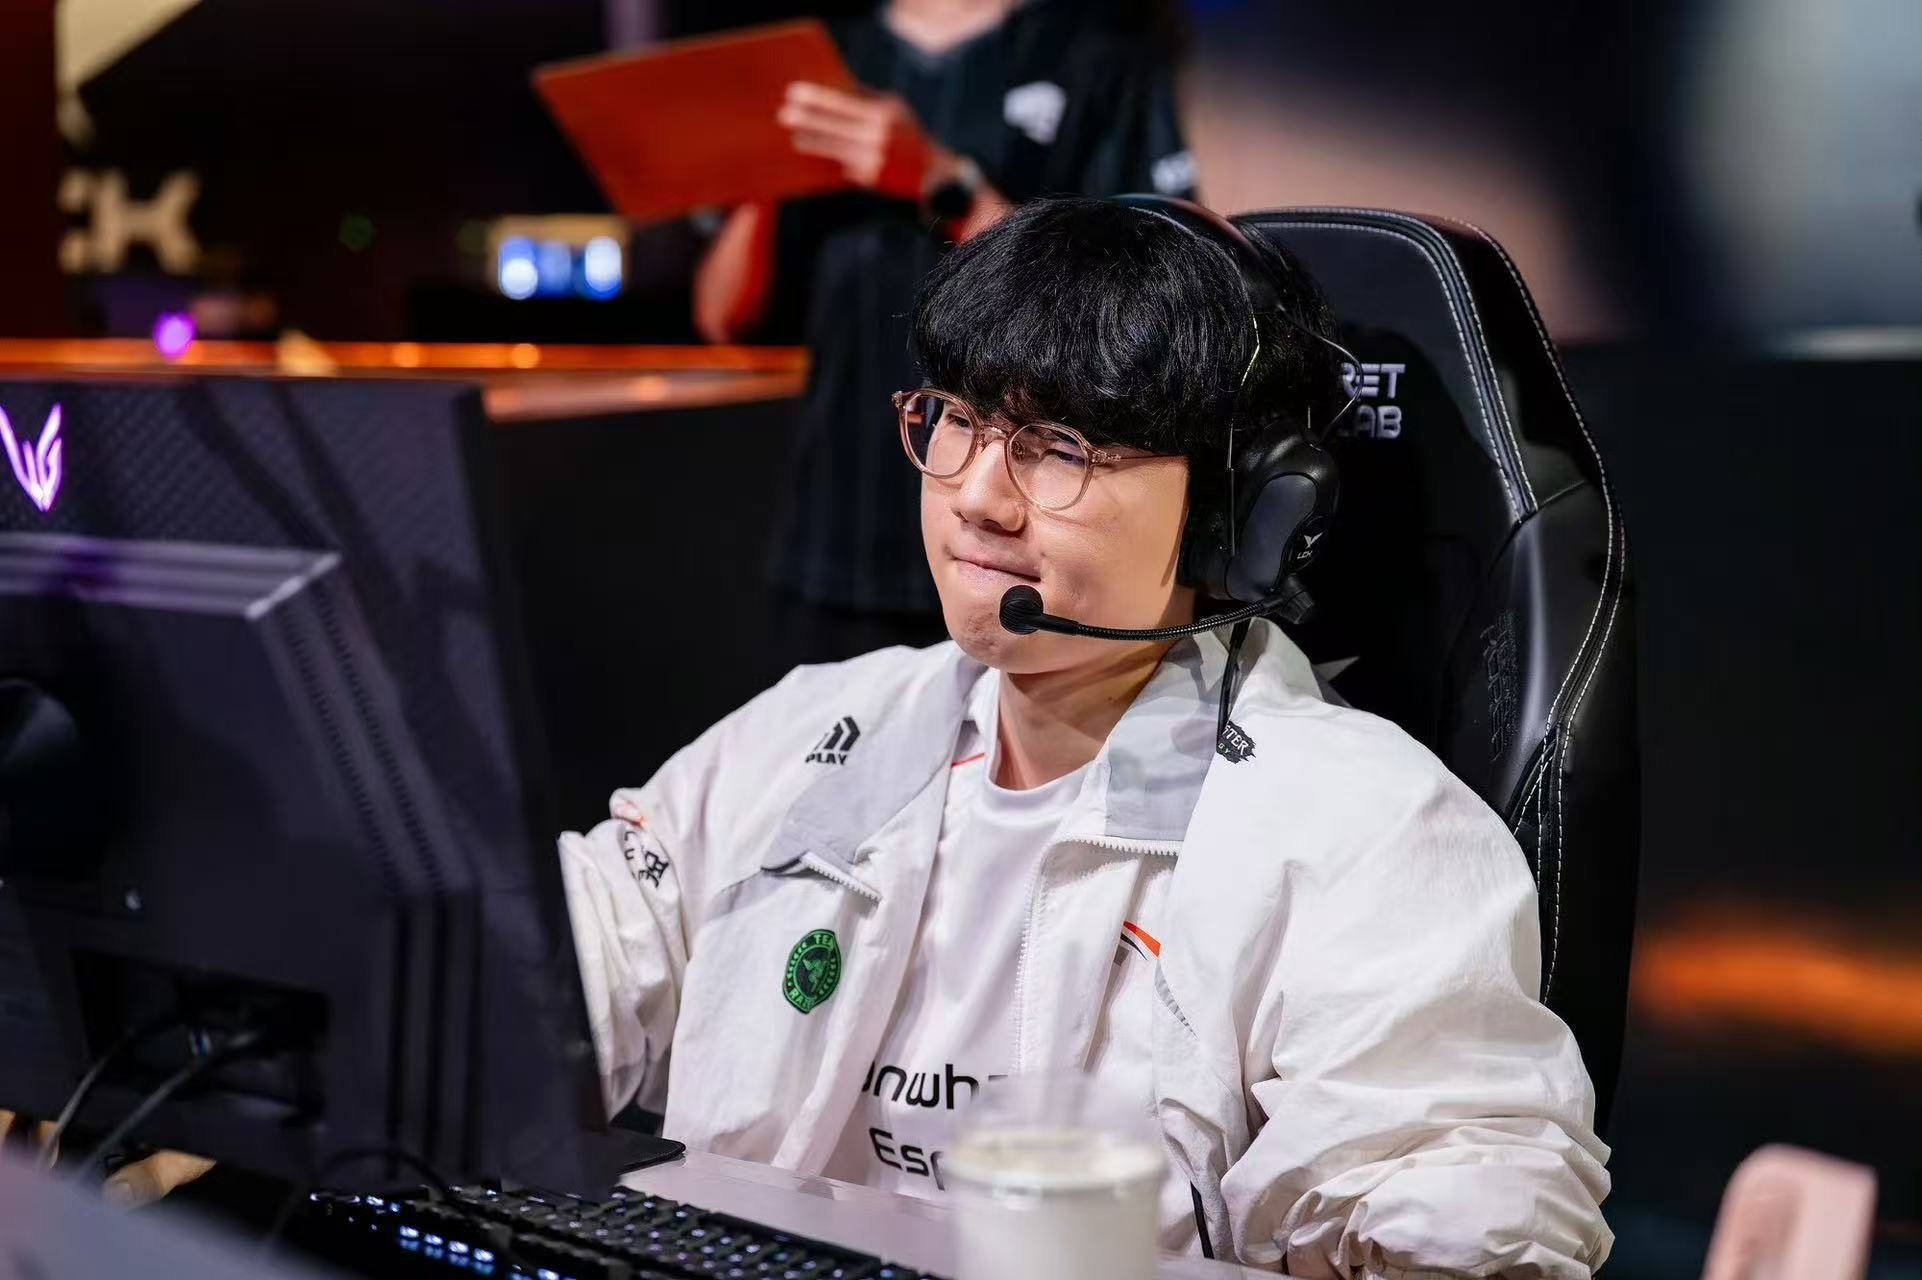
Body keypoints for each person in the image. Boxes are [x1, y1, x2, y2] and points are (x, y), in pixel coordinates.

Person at [564, 196, 1614, 1275]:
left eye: (1057, 446)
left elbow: (1466, 1201)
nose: (977, 496)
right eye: (957, 419)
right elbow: (548, 982)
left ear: (1237, 513)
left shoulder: (1363, 829)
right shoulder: (809, 733)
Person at [693, 0, 1198, 664]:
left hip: (1017, 544)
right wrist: (764, 177)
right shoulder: (825, 52)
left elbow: (1143, 296)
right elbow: (722, 315)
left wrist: (943, 181)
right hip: (834, 532)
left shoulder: (1096, 52)